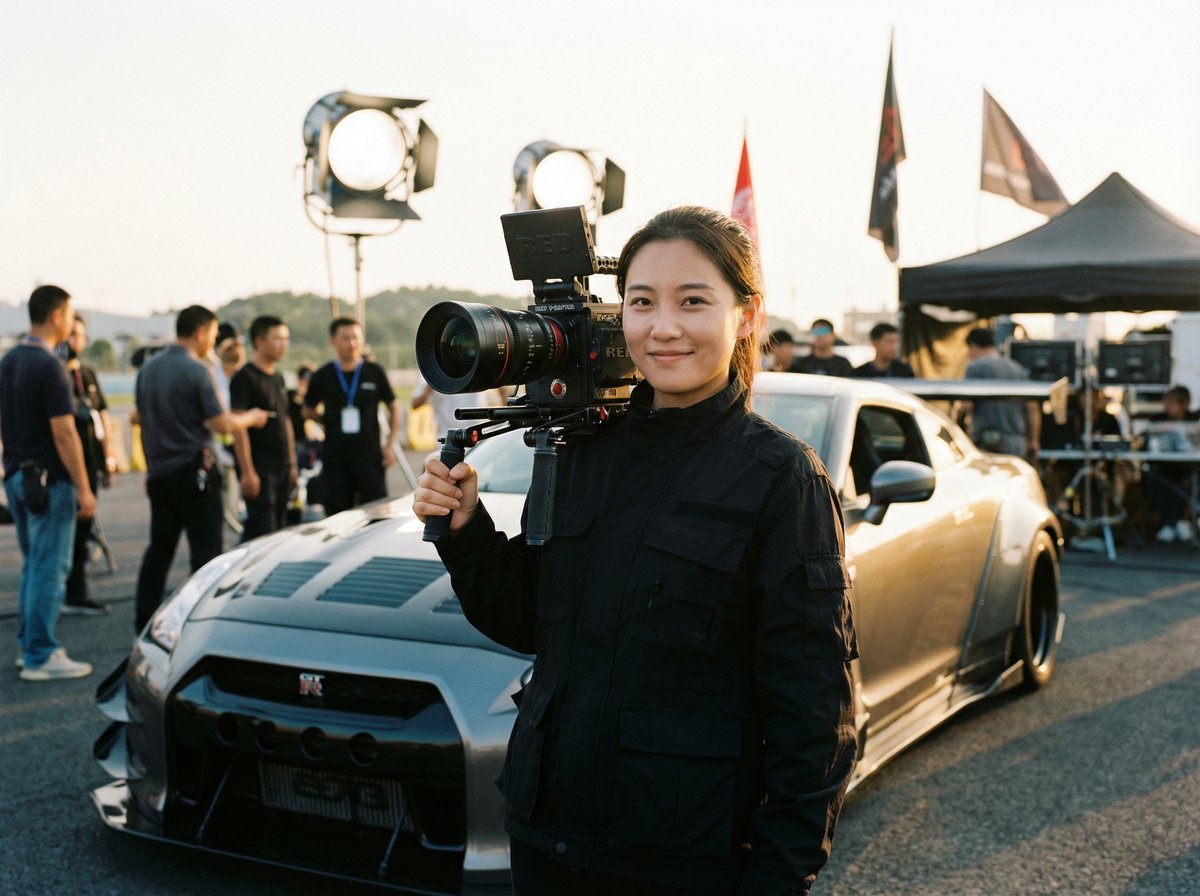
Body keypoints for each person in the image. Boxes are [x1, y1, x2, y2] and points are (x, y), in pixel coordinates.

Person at [414, 207, 857, 896]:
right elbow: (531, 623)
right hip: (545, 840)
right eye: (641, 302)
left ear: (745, 315)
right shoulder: (578, 451)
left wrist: (777, 877)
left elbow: (816, 715)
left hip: (681, 861)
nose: (663, 327)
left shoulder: (781, 478)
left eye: (693, 301)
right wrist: (467, 531)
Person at [133, 305, 269, 631]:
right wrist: (251, 417)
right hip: (195, 471)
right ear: (200, 333)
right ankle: (201, 623)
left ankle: (144, 619)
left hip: (159, 473)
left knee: (160, 549)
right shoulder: (197, 370)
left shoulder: (147, 370)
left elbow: (140, 419)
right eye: (211, 334)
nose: (212, 341)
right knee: (206, 552)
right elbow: (221, 423)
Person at [0, 285, 98, 680]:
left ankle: (30, 647)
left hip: (17, 477)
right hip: (48, 480)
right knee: (49, 568)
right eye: (72, 315)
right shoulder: (50, 366)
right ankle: (41, 653)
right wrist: (84, 487)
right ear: (57, 316)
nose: (74, 322)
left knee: (33, 566)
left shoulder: (8, 361)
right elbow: (64, 433)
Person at [303, 317, 400, 514]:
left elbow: (395, 407)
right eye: (345, 338)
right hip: (336, 459)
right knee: (338, 516)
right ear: (333, 341)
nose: (352, 343)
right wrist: (327, 422)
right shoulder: (323, 375)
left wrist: (389, 446)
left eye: (356, 337)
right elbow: (307, 409)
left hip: (370, 457)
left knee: (377, 514)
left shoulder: (374, 371)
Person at [62, 314, 116, 616]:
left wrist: (108, 457)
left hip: (91, 463)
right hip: (65, 469)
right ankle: (69, 591)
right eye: (70, 334)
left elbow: (102, 416)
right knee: (65, 536)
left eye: (78, 335)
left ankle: (76, 589)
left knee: (83, 533)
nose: (74, 340)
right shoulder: (55, 374)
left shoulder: (89, 374)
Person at [230, 315, 296, 541]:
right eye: (277, 338)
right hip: (260, 469)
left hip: (282, 466)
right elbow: (237, 427)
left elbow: (285, 420)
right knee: (262, 530)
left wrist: (292, 462)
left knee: (279, 527)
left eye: (286, 339)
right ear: (259, 341)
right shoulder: (244, 377)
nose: (283, 344)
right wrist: (247, 472)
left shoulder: (278, 377)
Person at [958, 327, 1040, 460]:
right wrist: (1034, 440)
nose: (968, 354)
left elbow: (966, 405)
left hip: (990, 443)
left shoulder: (975, 367)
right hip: (1017, 444)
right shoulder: (1016, 368)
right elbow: (1032, 408)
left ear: (972, 346)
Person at [1143, 385, 1198, 543]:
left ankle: (1171, 523)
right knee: (1152, 477)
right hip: (1164, 468)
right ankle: (1177, 522)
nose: (1167, 407)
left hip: (1190, 468)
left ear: (1185, 403)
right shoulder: (1157, 420)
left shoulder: (1194, 420)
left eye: (1172, 402)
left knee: (1189, 482)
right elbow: (1148, 447)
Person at [287, 363, 319, 469]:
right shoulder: (290, 396)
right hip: (293, 443)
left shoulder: (313, 400)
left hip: (305, 444)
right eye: (304, 380)